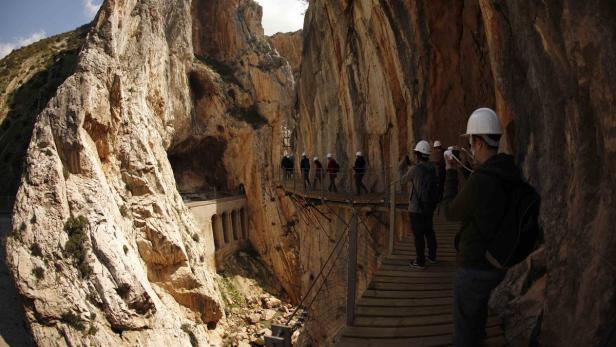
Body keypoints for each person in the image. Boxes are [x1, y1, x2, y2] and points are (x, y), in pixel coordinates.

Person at [440, 107, 521, 347]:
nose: (472, 147)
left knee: (466, 332)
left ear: (478, 141)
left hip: (475, 268)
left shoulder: (482, 180)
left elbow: (450, 211)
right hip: (499, 261)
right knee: (479, 321)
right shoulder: (509, 170)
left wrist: (451, 173)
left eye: (472, 142)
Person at [400, 140, 438, 269]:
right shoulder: (433, 168)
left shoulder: (415, 170)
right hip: (429, 206)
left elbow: (402, 180)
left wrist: (402, 166)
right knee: (429, 231)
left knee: (418, 236)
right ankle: (432, 257)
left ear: (417, 154)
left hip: (416, 208)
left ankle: (420, 261)